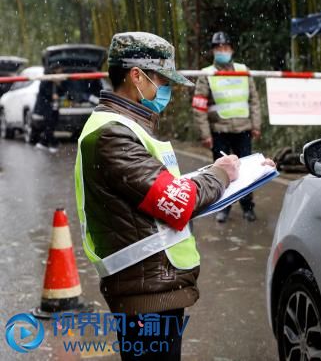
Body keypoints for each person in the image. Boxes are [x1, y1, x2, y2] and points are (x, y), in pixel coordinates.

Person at [74, 32, 271, 360]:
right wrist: (220, 175)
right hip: (144, 292)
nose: (165, 91)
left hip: (152, 285)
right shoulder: (112, 134)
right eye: (161, 81)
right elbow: (178, 202)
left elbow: (160, 189)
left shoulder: (129, 126)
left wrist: (220, 171)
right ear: (136, 75)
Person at [192, 31, 262, 223]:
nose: (222, 51)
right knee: (222, 172)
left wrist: (256, 125)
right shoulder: (206, 74)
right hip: (219, 131)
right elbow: (199, 106)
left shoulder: (242, 69)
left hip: (243, 130)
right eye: (218, 48)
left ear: (231, 49)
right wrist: (205, 134)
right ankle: (223, 207)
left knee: (246, 171)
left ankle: (248, 207)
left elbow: (254, 100)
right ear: (213, 51)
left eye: (225, 47)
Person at [34, 64, 65, 153]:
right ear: (54, 70)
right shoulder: (46, 78)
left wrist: (58, 85)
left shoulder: (58, 80)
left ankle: (43, 143)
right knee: (49, 125)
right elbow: (43, 91)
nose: (61, 71)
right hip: (47, 107)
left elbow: (62, 91)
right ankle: (53, 144)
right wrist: (51, 95)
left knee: (52, 125)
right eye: (59, 70)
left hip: (55, 106)